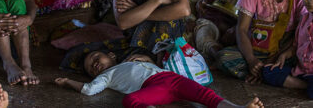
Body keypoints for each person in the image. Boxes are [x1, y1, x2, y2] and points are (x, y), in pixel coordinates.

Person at [55, 50, 264, 108]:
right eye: (91, 69)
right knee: (130, 101)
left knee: (204, 94)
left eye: (95, 58)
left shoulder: (131, 59)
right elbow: (89, 89)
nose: (95, 65)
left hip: (170, 78)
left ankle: (236, 107)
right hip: (154, 87)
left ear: (110, 55)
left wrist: (144, 59)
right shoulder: (107, 76)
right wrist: (67, 82)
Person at [261, 0, 313, 99]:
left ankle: (307, 86)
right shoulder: (304, 19)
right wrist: (284, 55)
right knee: (269, 71)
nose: (307, 0)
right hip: (301, 71)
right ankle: (305, 85)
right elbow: (295, 46)